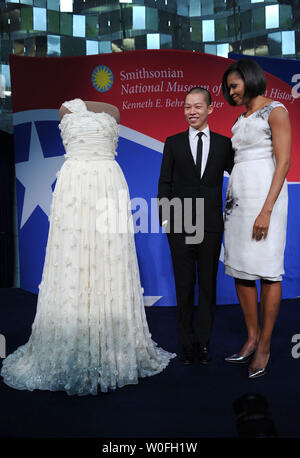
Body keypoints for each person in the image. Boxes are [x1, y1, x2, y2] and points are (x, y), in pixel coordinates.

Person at [1, 98, 175, 395]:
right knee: (73, 255)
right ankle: (75, 343)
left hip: (108, 183)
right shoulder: (65, 109)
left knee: (109, 256)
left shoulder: (114, 113)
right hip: (75, 185)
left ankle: (111, 345)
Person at [221, 59, 291, 378]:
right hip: (238, 200)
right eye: (228, 88)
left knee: (268, 271)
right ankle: (250, 337)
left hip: (266, 197)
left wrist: (266, 210)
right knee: (241, 268)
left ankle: (264, 344)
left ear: (250, 80)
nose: (230, 91)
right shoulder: (240, 118)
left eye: (234, 85)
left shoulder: (275, 110)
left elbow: (284, 163)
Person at [157, 87, 234, 365]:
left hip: (212, 225)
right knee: (184, 286)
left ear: (210, 109)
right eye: (187, 106)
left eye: (198, 106)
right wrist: (167, 221)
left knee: (208, 287)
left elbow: (239, 177)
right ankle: (186, 344)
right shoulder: (173, 142)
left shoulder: (225, 144)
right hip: (180, 224)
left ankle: (203, 344)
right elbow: (164, 182)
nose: (192, 111)